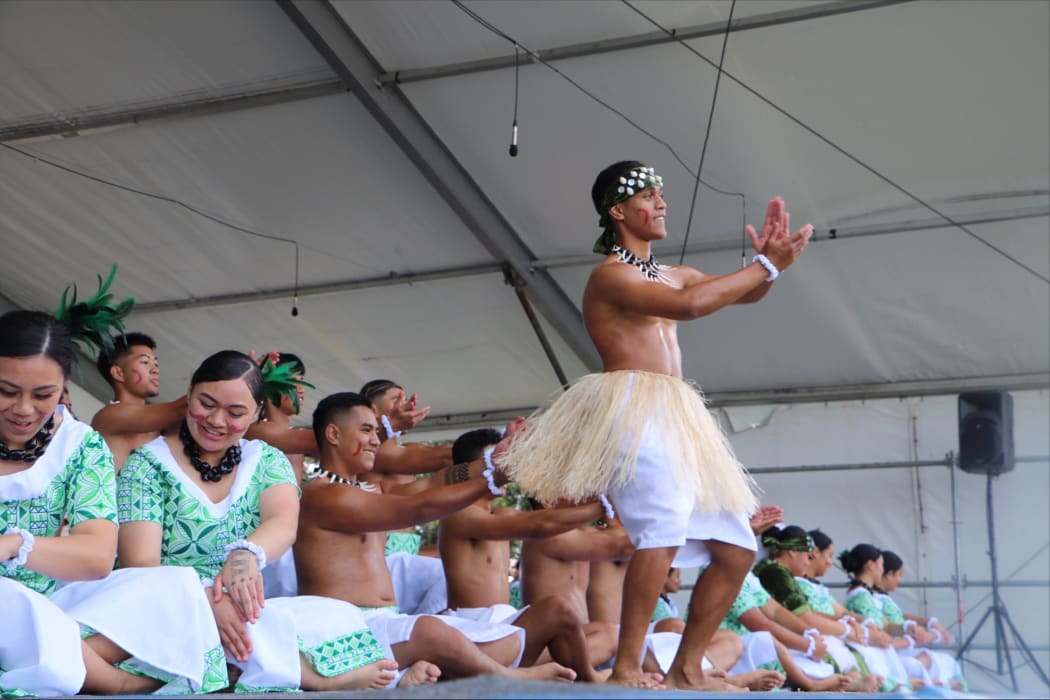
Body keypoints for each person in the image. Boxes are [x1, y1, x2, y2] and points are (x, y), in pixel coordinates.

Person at [500, 160, 813, 689]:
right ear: (618, 211)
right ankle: (625, 666)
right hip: (631, 410)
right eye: (648, 195)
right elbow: (689, 307)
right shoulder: (611, 276)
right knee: (660, 534)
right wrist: (762, 265)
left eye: (661, 194)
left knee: (736, 545)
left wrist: (770, 266)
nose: (661, 204)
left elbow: (741, 291)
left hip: (677, 414)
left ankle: (687, 668)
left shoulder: (675, 273)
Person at [117, 352, 399, 692]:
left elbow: (282, 522)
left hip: (242, 610)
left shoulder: (265, 459)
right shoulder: (147, 465)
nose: (218, 421)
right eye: (207, 404)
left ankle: (233, 671)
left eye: (235, 413)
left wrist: (246, 554)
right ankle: (314, 678)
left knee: (332, 613)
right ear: (189, 395)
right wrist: (204, 599)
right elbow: (141, 564)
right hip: (168, 603)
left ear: (255, 415)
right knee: (212, 628)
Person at [1, 277, 223, 696]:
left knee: (172, 585)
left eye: (44, 394)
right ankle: (114, 681)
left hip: (56, 603)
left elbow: (97, 556)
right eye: (6, 391)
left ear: (63, 388)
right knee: (10, 602)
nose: (25, 410)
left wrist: (15, 545)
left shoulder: (81, 445)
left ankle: (56, 659)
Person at [294, 393, 576, 684]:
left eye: (377, 432)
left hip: (385, 622)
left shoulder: (371, 491)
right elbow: (419, 508)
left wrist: (495, 459)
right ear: (333, 434)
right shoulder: (322, 495)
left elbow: (435, 482)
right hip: (345, 627)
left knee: (497, 644)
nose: (377, 441)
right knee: (434, 632)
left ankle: (419, 674)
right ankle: (509, 678)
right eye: (366, 430)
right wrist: (493, 478)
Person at [91, 332, 187, 471]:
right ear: (118, 373)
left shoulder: (163, 423)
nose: (155, 370)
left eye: (156, 363)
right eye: (145, 362)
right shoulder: (108, 416)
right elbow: (179, 409)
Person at [839, 544, 929, 690]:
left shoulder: (867, 595)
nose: (882, 570)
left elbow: (885, 625)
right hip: (872, 653)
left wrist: (906, 627)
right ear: (870, 565)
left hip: (881, 651)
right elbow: (877, 631)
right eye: (880, 565)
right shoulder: (860, 596)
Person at [879, 549, 967, 690]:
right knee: (916, 663)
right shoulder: (866, 599)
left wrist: (929, 623)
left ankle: (931, 684)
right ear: (888, 574)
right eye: (899, 575)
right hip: (889, 652)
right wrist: (913, 638)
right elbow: (884, 627)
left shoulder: (882, 598)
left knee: (946, 661)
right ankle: (929, 686)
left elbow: (899, 616)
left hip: (900, 647)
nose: (900, 580)